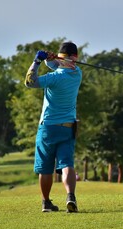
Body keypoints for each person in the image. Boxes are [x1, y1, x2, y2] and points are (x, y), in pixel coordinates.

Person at [24, 42, 82, 213]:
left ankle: (46, 203)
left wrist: (37, 61)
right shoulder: (77, 73)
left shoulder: (53, 78)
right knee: (66, 164)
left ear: (60, 57)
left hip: (48, 128)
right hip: (68, 127)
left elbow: (30, 82)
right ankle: (70, 196)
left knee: (45, 168)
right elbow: (60, 66)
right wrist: (50, 60)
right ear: (75, 58)